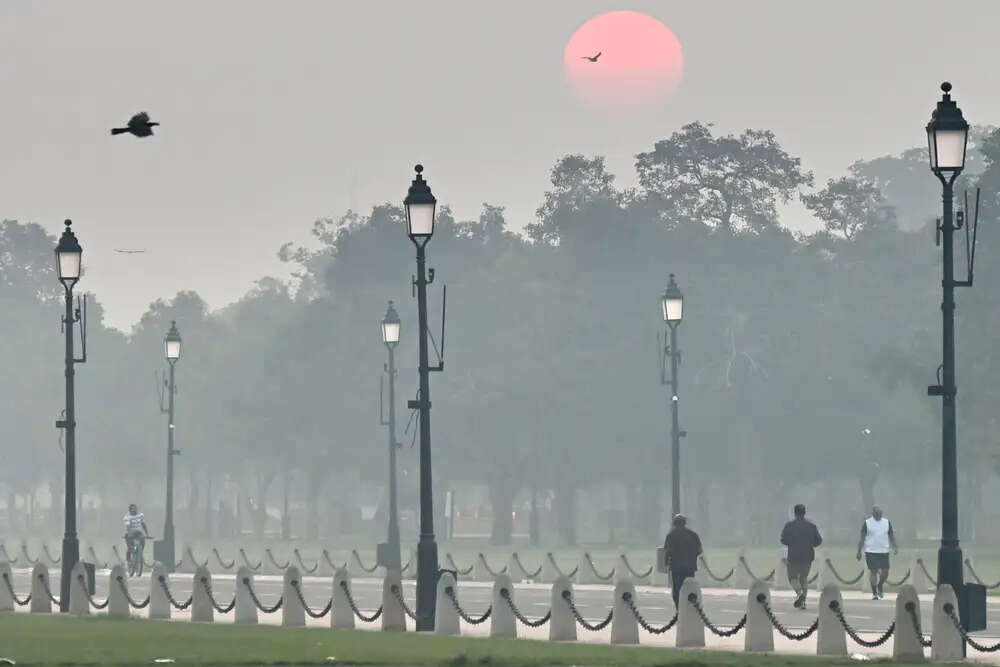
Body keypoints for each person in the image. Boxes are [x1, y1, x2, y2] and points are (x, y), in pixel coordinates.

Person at [780, 504, 823, 609]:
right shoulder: (811, 526)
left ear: (795, 513)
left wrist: (791, 543)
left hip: (793, 555)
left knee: (792, 577)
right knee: (804, 578)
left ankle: (799, 593)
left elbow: (783, 539)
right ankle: (803, 602)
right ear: (804, 513)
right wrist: (810, 545)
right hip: (807, 556)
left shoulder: (789, 526)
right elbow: (818, 540)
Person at [856, 505, 898, 599]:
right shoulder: (867, 523)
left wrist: (895, 546)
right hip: (871, 551)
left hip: (884, 550)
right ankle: (875, 592)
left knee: (885, 571)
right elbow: (862, 538)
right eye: (877, 513)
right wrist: (859, 551)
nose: (879, 515)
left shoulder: (886, 522)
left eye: (880, 513)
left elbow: (891, 535)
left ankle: (880, 585)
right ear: (873, 514)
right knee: (873, 571)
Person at [663, 513, 702, 610]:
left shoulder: (671, 535)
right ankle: (689, 607)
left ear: (674, 523)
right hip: (690, 567)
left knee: (677, 589)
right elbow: (699, 550)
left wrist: (666, 563)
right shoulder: (693, 535)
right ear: (684, 523)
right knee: (689, 587)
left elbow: (668, 551)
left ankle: (679, 608)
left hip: (676, 567)